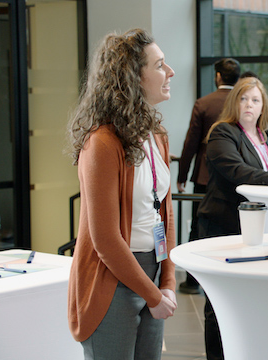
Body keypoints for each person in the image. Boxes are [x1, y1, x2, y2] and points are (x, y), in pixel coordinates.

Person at [66, 28, 178, 360]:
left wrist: (167, 280)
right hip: (112, 279)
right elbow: (105, 239)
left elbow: (164, 216)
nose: (170, 72)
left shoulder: (156, 134)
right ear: (132, 77)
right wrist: (154, 295)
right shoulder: (102, 142)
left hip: (153, 274)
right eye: (159, 65)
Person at [197, 76, 268, 360]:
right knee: (220, 304)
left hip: (263, 232)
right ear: (234, 102)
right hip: (224, 227)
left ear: (263, 104)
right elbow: (237, 170)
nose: (249, 105)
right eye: (243, 98)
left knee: (252, 302)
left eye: (255, 99)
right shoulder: (222, 133)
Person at [176, 58, 240, 294]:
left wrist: (182, 174)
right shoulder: (243, 103)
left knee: (200, 226)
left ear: (218, 76)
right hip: (237, 177)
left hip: (205, 176)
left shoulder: (204, 103)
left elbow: (191, 142)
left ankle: (194, 281)